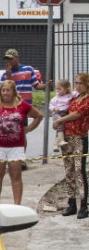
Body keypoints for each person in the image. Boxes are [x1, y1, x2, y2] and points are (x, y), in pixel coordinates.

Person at [0, 79, 43, 214]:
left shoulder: (22, 105)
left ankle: (17, 206)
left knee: (16, 176)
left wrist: (28, 129)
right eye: (3, 90)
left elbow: (38, 115)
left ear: (14, 91)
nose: (5, 93)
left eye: (8, 90)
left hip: (16, 147)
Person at [51, 73, 89, 218]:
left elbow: (78, 114)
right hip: (67, 137)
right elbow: (63, 109)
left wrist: (61, 120)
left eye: (80, 83)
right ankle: (71, 203)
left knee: (79, 170)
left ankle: (84, 205)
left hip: (79, 137)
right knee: (69, 170)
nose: (78, 85)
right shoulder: (73, 98)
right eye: (76, 83)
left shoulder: (86, 100)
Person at [49, 78, 76, 153]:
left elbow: (77, 93)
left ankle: (56, 144)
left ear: (66, 89)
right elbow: (50, 106)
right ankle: (60, 141)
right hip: (59, 113)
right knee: (60, 127)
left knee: (61, 127)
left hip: (65, 113)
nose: (57, 91)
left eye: (59, 89)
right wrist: (54, 109)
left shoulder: (70, 95)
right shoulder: (56, 98)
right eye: (57, 89)